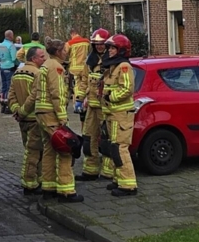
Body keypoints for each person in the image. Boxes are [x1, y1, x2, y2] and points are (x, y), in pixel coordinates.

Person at [30, 41, 83, 203]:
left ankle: (49, 187)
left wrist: (23, 111)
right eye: (64, 50)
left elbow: (35, 93)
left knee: (49, 150)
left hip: (41, 113)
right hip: (51, 114)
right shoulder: (56, 67)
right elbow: (57, 93)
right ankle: (67, 191)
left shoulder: (45, 65)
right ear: (58, 51)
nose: (66, 53)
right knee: (65, 149)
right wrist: (62, 118)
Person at [101, 34, 137, 197]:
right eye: (109, 48)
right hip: (112, 114)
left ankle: (128, 185)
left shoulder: (124, 66)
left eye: (113, 48)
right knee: (113, 147)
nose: (110, 51)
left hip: (121, 114)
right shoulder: (112, 66)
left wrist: (110, 97)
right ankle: (118, 179)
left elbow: (127, 88)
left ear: (122, 50)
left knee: (120, 148)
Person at [75, 28, 109, 182]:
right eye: (97, 44)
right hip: (91, 107)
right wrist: (79, 99)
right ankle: (91, 170)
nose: (99, 47)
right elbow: (83, 80)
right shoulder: (90, 61)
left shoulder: (111, 60)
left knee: (107, 139)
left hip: (105, 107)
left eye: (102, 44)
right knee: (88, 138)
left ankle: (109, 172)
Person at [10, 47, 44, 194]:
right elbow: (35, 97)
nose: (44, 59)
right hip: (33, 119)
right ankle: (30, 183)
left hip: (22, 120)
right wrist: (23, 111)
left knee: (28, 149)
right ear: (33, 59)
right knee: (34, 152)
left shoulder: (17, 73)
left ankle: (37, 178)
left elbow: (11, 95)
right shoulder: (38, 73)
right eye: (41, 57)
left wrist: (16, 110)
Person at [65, 28, 90, 100]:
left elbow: (65, 53)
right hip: (85, 67)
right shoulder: (86, 42)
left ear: (72, 34)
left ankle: (77, 101)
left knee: (76, 86)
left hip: (74, 68)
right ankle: (85, 101)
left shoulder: (69, 43)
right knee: (85, 85)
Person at [0, 30, 19, 114]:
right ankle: (8, 106)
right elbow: (14, 58)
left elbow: (0, 56)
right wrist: (17, 64)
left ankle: (3, 105)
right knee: (9, 87)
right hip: (9, 67)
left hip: (2, 67)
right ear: (11, 36)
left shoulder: (1, 45)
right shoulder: (11, 46)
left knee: (3, 87)